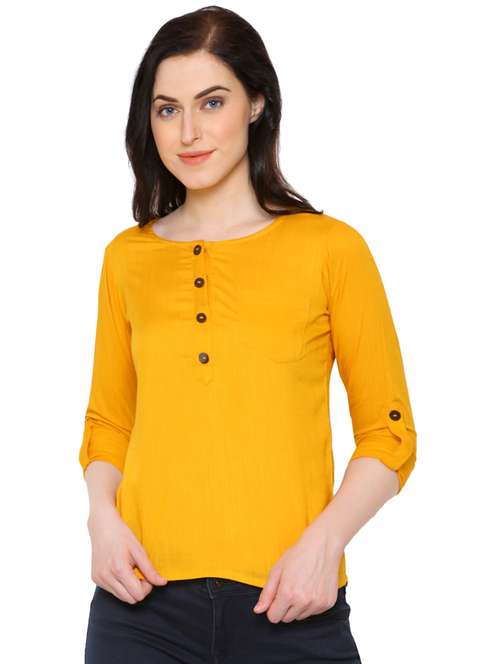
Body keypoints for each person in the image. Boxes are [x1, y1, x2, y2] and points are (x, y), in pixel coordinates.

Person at [79, 6, 417, 663]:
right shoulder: (126, 258)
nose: (189, 132)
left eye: (212, 102)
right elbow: (109, 421)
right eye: (167, 109)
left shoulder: (330, 249)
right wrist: (101, 519)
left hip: (293, 604)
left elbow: (390, 430)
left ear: (257, 103)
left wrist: (325, 544)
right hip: (139, 608)